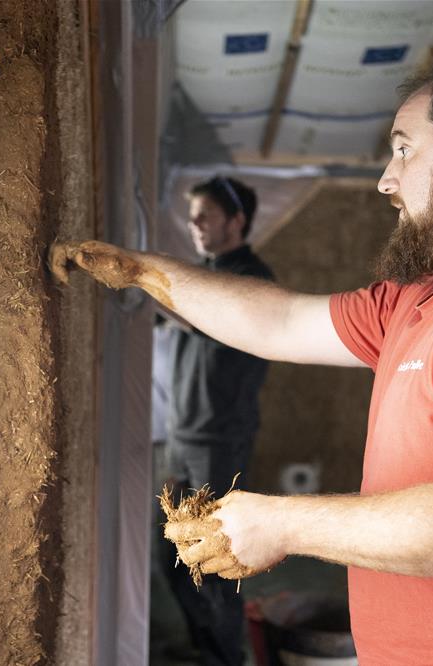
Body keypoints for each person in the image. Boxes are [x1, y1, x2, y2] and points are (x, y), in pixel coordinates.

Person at [50, 56, 433, 664]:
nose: (386, 179)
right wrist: (142, 271)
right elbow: (277, 321)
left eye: (404, 150)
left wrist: (284, 524)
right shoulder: (422, 298)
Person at [153, 176, 273, 665]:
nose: (194, 224)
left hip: (218, 443)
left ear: (236, 221)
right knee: (173, 560)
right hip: (182, 440)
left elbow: (204, 315)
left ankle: (227, 657)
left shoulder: (251, 280)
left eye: (206, 215)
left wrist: (149, 283)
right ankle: (208, 650)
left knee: (214, 561)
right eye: (192, 215)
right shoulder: (198, 277)